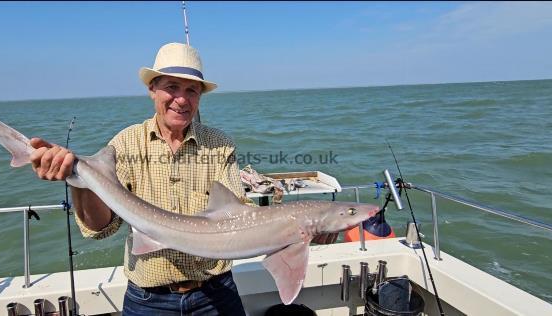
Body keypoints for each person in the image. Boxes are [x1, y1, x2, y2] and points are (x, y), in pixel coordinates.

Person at [28, 42, 337, 315]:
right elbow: (100, 228)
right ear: (152, 89)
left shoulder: (220, 144)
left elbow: (236, 217)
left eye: (192, 90)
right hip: (148, 298)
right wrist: (77, 180)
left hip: (216, 292)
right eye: (172, 87)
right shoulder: (125, 144)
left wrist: (300, 232)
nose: (182, 99)